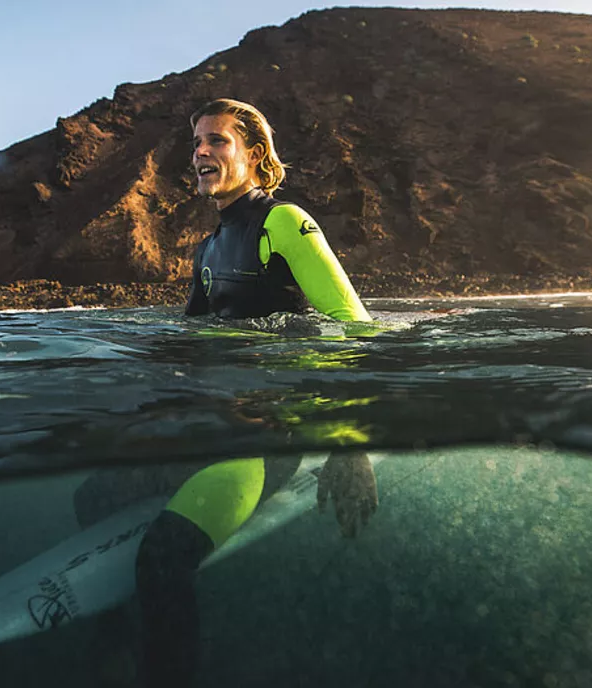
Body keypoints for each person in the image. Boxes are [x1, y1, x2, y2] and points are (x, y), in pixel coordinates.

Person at [77, 98, 379, 688]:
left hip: (265, 437)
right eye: (196, 143)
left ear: (256, 155)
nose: (201, 154)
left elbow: (355, 325)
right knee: (91, 497)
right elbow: (187, 342)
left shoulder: (284, 223)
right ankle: (112, 635)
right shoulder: (209, 248)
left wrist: (350, 443)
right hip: (209, 425)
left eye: (216, 141)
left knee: (161, 563)